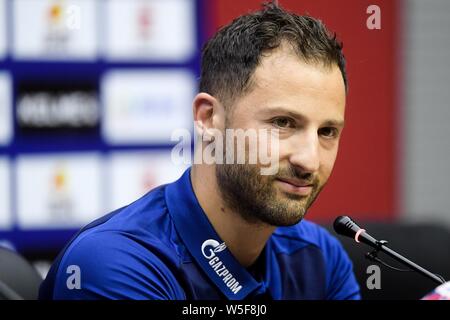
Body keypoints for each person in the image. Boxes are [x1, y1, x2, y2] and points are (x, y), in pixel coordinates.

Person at [39, 3, 360, 300]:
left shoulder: (320, 258)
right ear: (208, 118)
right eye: (283, 123)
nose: (309, 160)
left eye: (327, 132)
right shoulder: (115, 263)